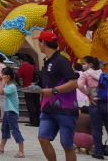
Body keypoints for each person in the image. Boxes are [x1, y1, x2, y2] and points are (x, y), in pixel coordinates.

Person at [35, 30, 79, 161]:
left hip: (65, 109)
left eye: (39, 42)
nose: (38, 44)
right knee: (43, 138)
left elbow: (74, 82)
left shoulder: (61, 61)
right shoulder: (47, 61)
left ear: (43, 43)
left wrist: (54, 91)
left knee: (67, 145)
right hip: (48, 108)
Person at [79, 55, 108, 160]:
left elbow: (79, 85)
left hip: (95, 104)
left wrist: (88, 94)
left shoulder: (85, 74)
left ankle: (99, 153)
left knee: (96, 130)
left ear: (90, 64)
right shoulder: (104, 74)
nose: (83, 65)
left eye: (84, 63)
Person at [0, 66, 25, 158]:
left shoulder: (12, 87)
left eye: (3, 76)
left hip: (12, 112)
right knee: (4, 129)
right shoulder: (8, 85)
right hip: (7, 111)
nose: (1, 77)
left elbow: (0, 91)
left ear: (8, 77)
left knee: (14, 130)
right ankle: (1, 146)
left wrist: (2, 82)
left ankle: (21, 150)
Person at [19, 55, 40, 126]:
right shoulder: (33, 67)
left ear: (21, 60)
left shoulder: (23, 67)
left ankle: (33, 121)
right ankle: (38, 121)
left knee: (30, 105)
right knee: (37, 104)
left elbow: (19, 76)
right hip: (36, 87)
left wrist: (20, 84)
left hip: (27, 87)